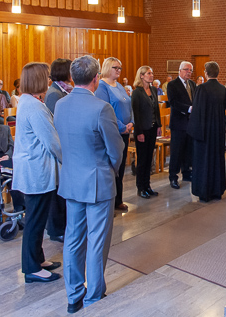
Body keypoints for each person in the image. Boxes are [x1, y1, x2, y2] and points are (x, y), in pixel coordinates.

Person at [54, 55, 124, 314]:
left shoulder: (60, 105)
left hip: (72, 180)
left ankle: (74, 294)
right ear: (96, 78)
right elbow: (115, 148)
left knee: (72, 238)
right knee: (96, 240)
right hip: (97, 182)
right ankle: (94, 294)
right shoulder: (100, 108)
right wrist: (111, 169)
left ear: (73, 78)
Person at [12, 62, 63, 284]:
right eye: (46, 77)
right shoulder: (34, 106)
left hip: (33, 167)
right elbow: (52, 142)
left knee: (38, 217)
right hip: (36, 170)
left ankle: (38, 259)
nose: (49, 80)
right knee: (35, 219)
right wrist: (67, 160)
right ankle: (31, 268)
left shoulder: (28, 101)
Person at [95, 57, 134, 211]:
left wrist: (131, 122)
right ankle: (110, 201)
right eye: (115, 67)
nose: (118, 70)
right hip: (113, 132)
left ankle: (119, 199)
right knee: (112, 167)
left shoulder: (118, 85)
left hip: (125, 131)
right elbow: (105, 110)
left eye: (120, 68)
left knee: (121, 166)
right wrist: (120, 126)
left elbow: (128, 105)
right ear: (107, 68)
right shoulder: (102, 87)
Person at [188, 61, 226, 202]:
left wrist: (193, 131)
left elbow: (197, 111)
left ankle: (204, 191)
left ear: (206, 73)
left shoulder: (202, 88)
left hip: (204, 132)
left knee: (204, 161)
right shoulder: (222, 89)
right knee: (216, 159)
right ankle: (217, 190)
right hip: (218, 131)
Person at [45, 58, 74, 242]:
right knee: (57, 190)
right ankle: (56, 230)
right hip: (59, 146)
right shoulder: (54, 94)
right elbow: (56, 123)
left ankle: (63, 225)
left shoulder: (63, 90)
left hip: (66, 144)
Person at [132, 66, 162, 199]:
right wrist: (138, 132)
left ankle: (148, 186)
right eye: (149, 73)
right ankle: (141, 187)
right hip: (142, 130)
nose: (151, 75)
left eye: (152, 73)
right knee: (142, 160)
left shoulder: (154, 89)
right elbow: (136, 114)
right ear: (142, 76)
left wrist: (159, 125)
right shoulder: (137, 92)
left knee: (149, 157)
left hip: (153, 128)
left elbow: (156, 109)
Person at [167, 61, 196, 189]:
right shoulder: (173, 85)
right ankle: (173, 176)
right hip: (178, 123)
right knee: (177, 151)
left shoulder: (193, 84)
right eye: (186, 70)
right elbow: (173, 102)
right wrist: (189, 109)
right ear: (180, 70)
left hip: (190, 123)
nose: (188, 72)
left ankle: (186, 173)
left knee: (188, 150)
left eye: (190, 70)